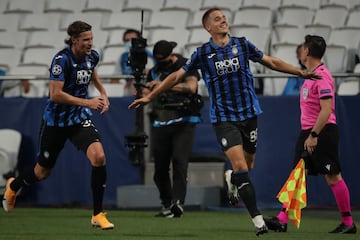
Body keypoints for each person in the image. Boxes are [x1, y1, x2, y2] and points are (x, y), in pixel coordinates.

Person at [129, 7, 320, 236]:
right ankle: (258, 220)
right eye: (217, 19)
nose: (223, 21)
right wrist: (151, 95)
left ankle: (232, 178)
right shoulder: (202, 53)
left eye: (224, 18)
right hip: (223, 119)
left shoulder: (242, 44)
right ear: (208, 27)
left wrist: (299, 73)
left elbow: (271, 61)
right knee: (241, 167)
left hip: (249, 115)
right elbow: (176, 76)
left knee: (247, 167)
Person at [2, 21, 114, 230]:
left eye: (91, 38)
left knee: (99, 157)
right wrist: (88, 102)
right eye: (86, 40)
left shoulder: (93, 56)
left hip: (79, 118)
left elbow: (92, 74)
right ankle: (13, 186)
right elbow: (55, 95)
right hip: (56, 122)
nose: (90, 43)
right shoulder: (61, 60)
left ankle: (97, 214)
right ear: (74, 40)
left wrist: (103, 93)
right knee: (42, 172)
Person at [265, 35, 357, 234]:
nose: (300, 51)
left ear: (307, 52)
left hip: (321, 132)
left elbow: (326, 110)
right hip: (309, 131)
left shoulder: (321, 76)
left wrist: (314, 135)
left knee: (333, 177)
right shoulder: (311, 74)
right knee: (297, 174)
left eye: (302, 48)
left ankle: (348, 223)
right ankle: (282, 219)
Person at [142, 40, 202, 218]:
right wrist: (143, 90)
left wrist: (161, 86)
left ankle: (178, 203)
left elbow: (192, 87)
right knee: (160, 168)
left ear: (172, 55)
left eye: (165, 59)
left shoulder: (185, 65)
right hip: (161, 121)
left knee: (179, 161)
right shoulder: (154, 71)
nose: (162, 63)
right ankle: (166, 203)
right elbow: (146, 93)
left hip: (184, 120)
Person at [112, 29, 155, 95]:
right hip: (128, 93)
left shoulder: (149, 56)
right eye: (126, 40)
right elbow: (114, 79)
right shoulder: (122, 57)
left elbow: (151, 75)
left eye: (132, 40)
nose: (129, 42)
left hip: (148, 93)